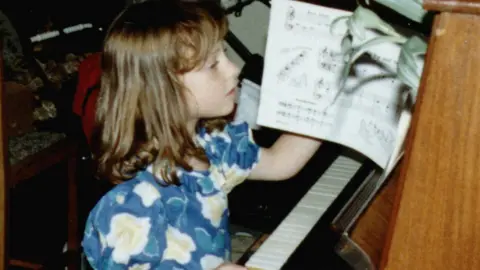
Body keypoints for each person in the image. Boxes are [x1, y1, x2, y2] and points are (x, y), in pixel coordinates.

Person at [81, 0, 322, 269]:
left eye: (225, 54)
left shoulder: (212, 145)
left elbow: (280, 162)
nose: (234, 69)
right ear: (164, 90)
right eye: (212, 65)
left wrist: (325, 110)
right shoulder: (132, 207)